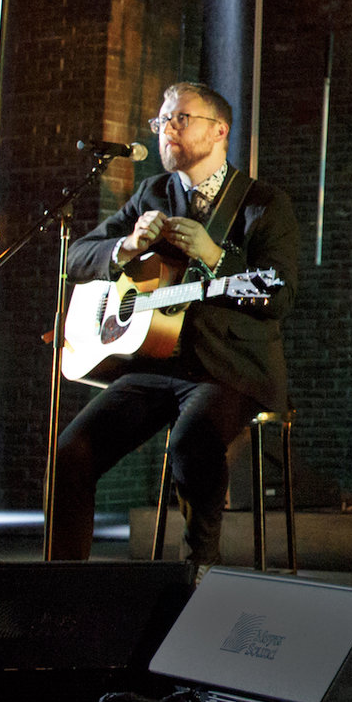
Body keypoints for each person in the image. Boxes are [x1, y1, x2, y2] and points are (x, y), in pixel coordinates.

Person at [54, 82, 298, 575]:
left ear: (219, 131)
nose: (166, 129)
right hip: (156, 365)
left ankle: (198, 573)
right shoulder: (153, 193)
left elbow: (279, 296)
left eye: (180, 119)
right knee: (71, 452)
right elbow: (77, 255)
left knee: (191, 442)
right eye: (161, 120)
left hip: (229, 368)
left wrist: (215, 257)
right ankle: (62, 589)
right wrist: (124, 249)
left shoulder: (263, 204)